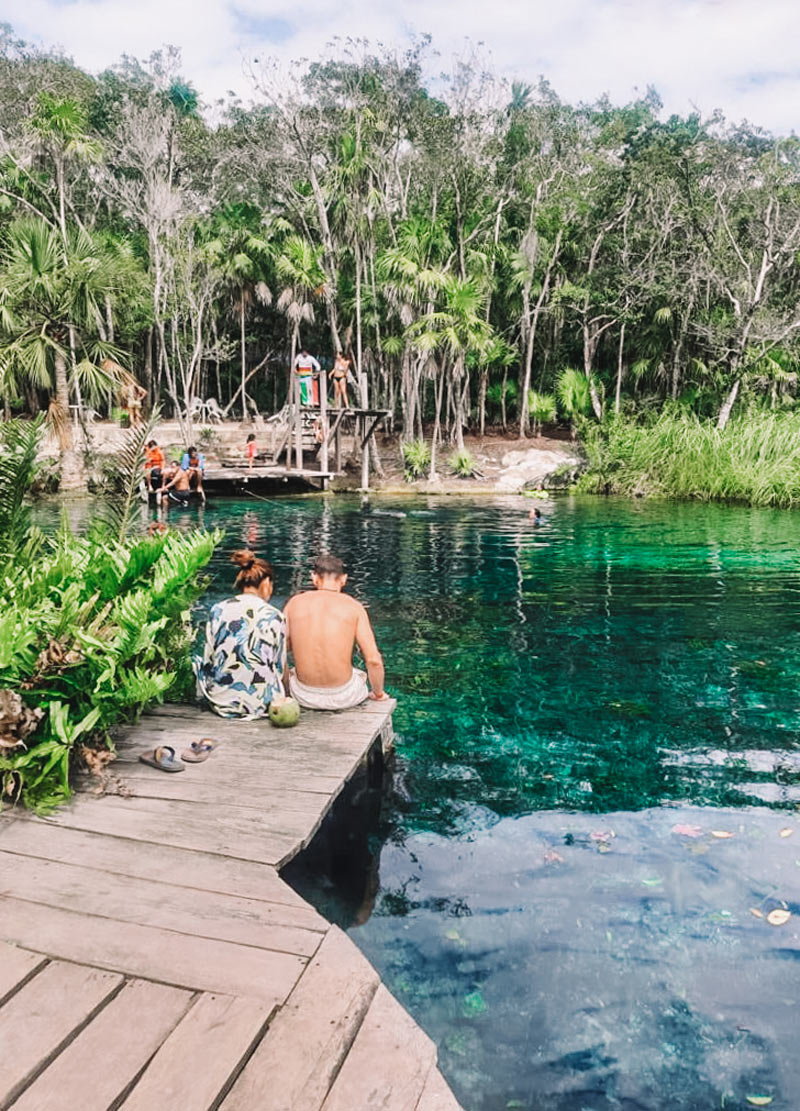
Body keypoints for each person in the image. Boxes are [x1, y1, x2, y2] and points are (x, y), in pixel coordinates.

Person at [284, 553, 388, 711]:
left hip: (302, 695)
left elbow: (279, 653)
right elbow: (373, 660)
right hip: (344, 696)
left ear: (314, 577)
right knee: (359, 675)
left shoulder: (294, 604)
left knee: (291, 672)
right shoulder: (354, 607)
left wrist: (285, 691)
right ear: (344, 579)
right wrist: (378, 693)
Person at [194, 550, 286, 719]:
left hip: (220, 701)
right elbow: (278, 668)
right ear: (266, 583)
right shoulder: (275, 616)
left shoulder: (218, 609)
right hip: (261, 704)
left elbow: (209, 660)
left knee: (200, 661)